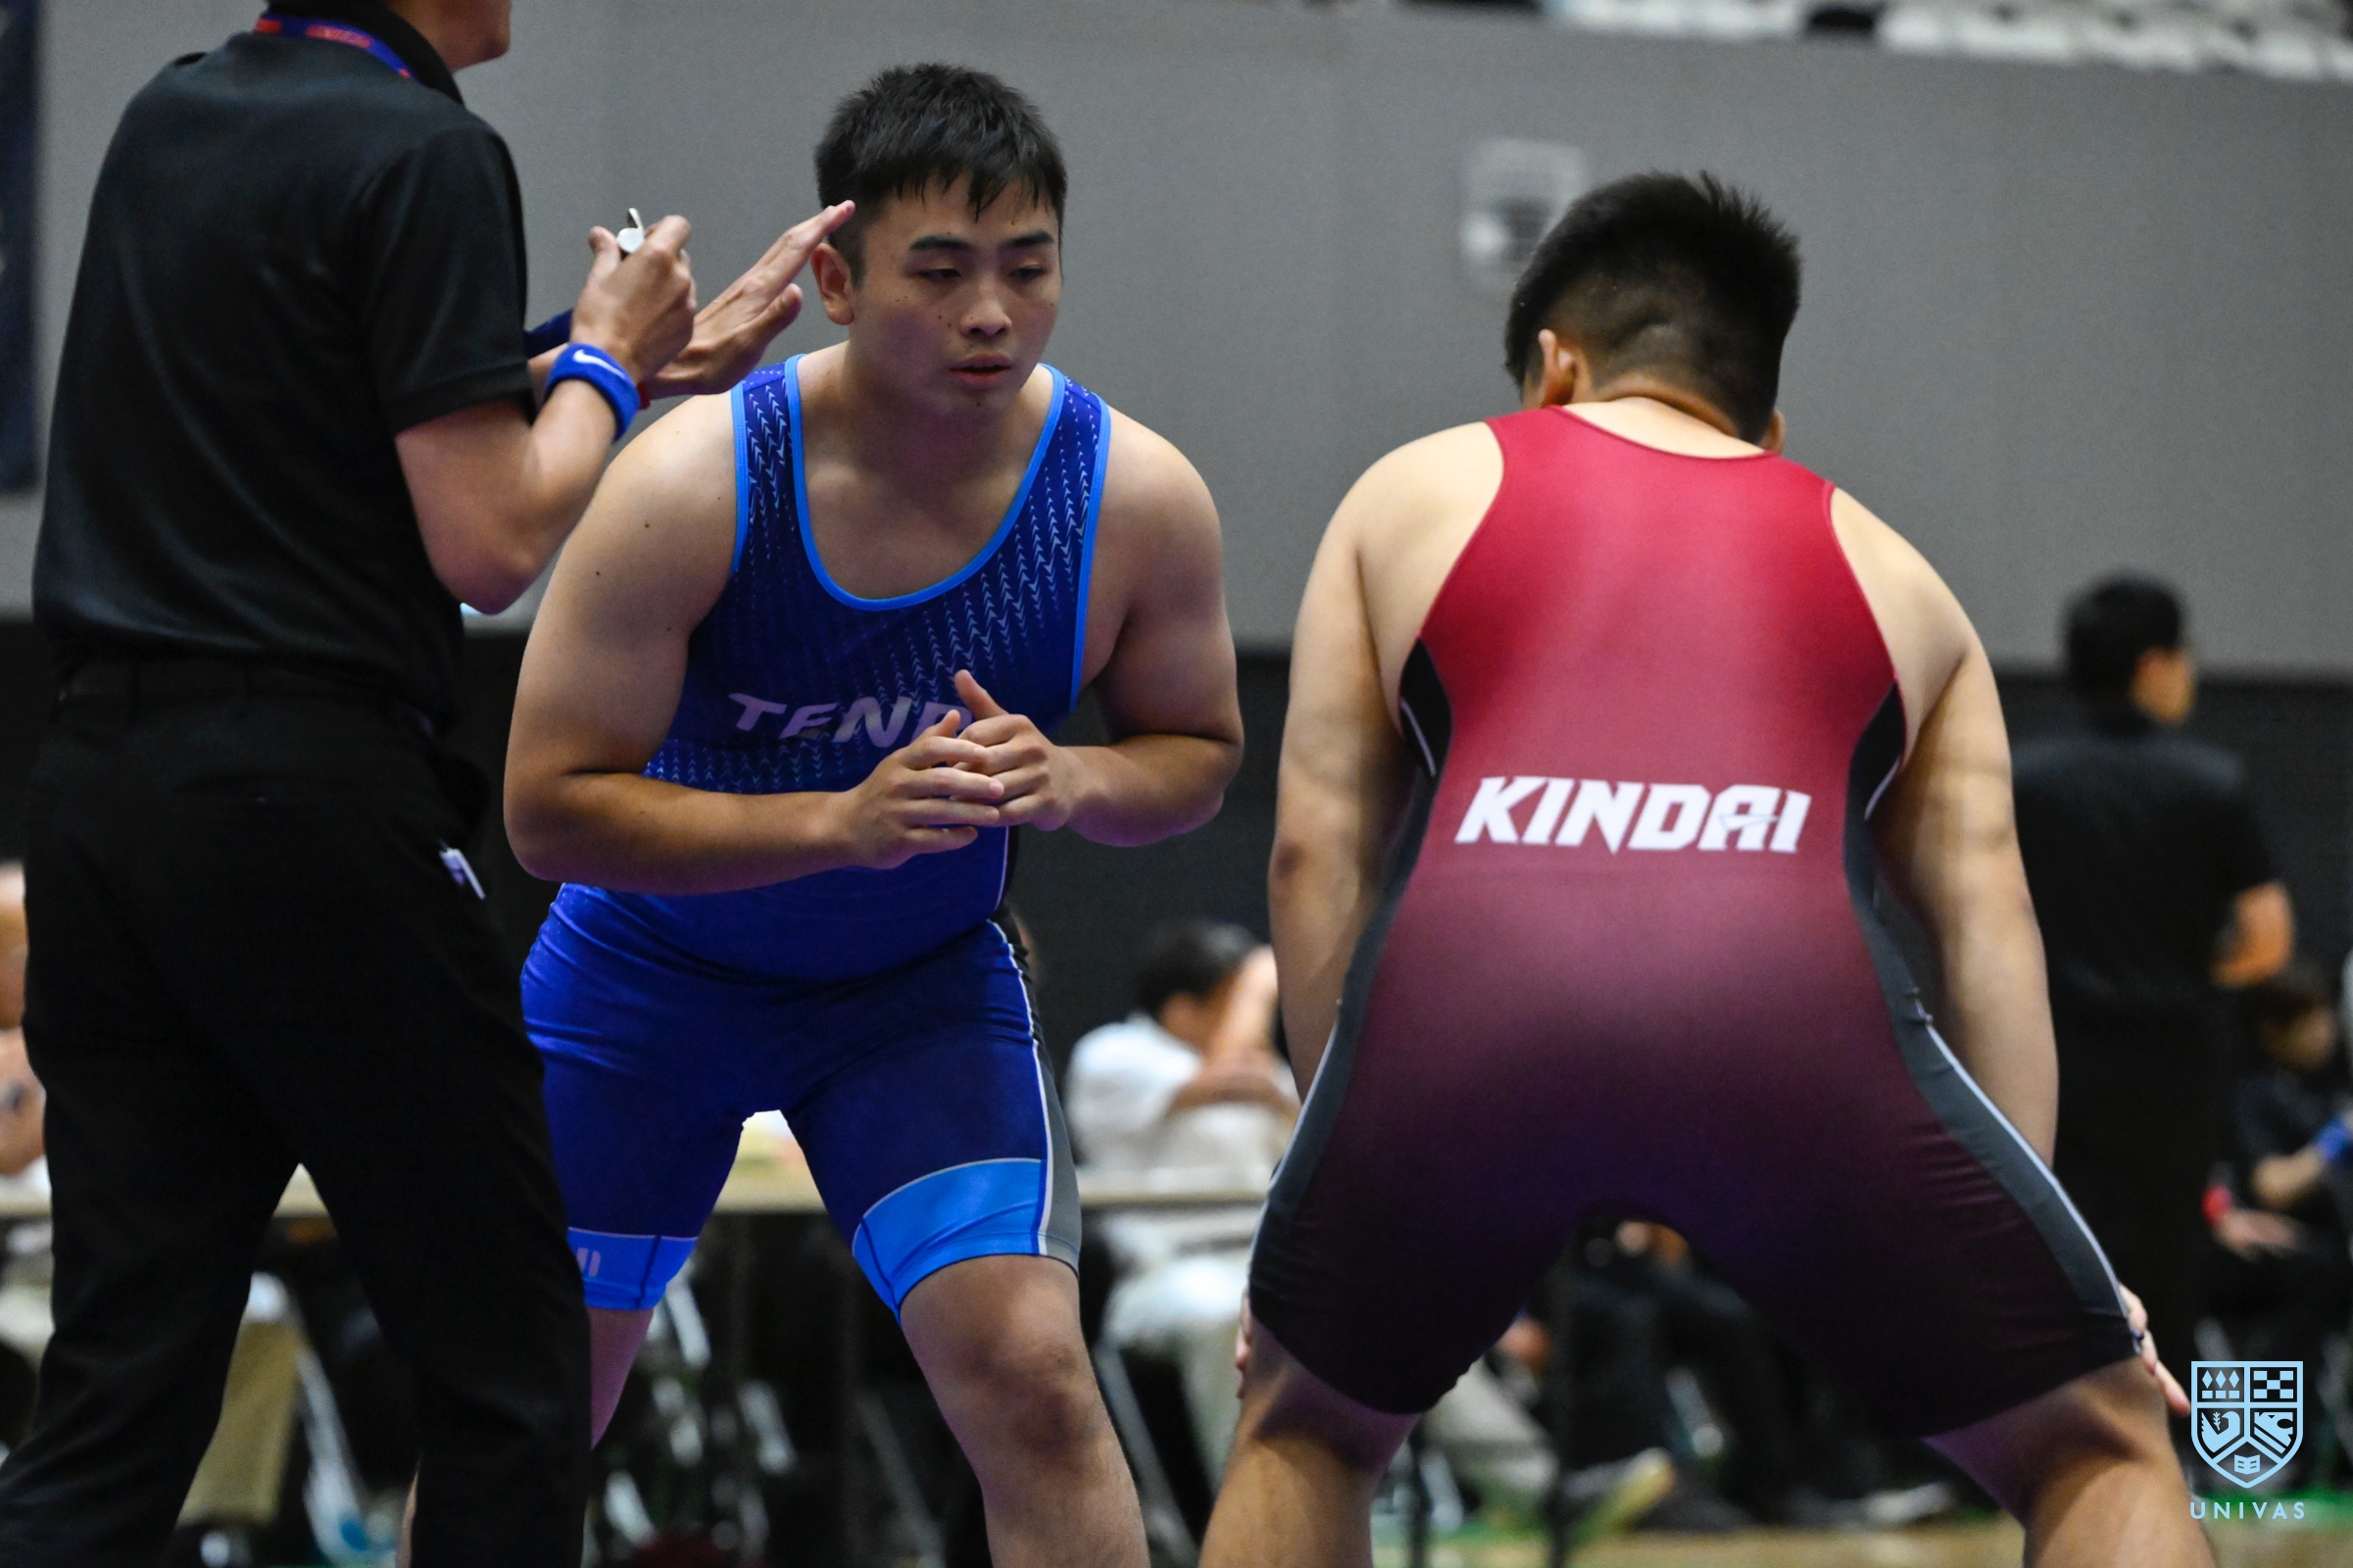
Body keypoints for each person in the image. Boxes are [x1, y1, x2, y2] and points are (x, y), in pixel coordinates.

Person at [1204, 172, 2204, 1568]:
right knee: (2096, 1442)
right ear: (1765, 424)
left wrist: (1343, 1196)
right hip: (1791, 1026)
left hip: (1469, 1017)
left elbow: (1317, 848)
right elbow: (1989, 928)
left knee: (1307, 1431)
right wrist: (2022, 1261)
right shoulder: (1899, 571)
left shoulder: (1410, 490)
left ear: (1555, 366)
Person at [0, 2, 846, 1560]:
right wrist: (603, 358)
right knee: (513, 1361)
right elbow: (492, 540)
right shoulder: (426, 147)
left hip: (102, 801)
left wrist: (619, 367)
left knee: (118, 1393)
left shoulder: (174, 114)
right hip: (306, 802)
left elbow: (334, 410)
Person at [502, 65, 1244, 1568]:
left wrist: (1077, 780)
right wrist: (834, 826)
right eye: (941, 272)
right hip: (645, 981)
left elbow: (1200, 754)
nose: (992, 316)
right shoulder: (695, 480)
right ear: (835, 282)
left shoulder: (1132, 497)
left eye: (1027, 269)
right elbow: (546, 812)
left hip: (910, 993)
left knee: (1036, 1386)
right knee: (525, 1414)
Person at [2013, 575, 2294, 1393]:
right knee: (2170, 1267)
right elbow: (2267, 938)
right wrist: (2187, 970)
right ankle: (2171, 1446)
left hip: (2058, 1062)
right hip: (2176, 1065)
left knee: (2064, 1262)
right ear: (2152, 664)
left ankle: (2067, 1440)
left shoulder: (2026, 780)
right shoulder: (2210, 781)